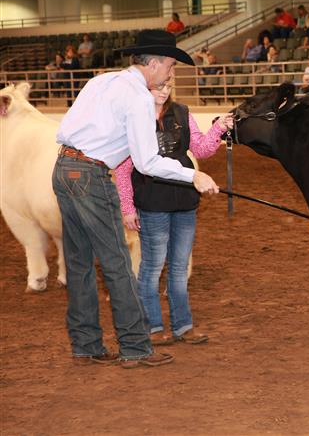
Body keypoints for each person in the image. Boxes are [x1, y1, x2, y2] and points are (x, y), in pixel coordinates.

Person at [52, 29, 221, 369]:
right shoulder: (139, 98)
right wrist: (192, 175)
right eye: (170, 66)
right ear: (154, 63)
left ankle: (86, 344)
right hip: (92, 175)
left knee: (79, 262)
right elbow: (147, 162)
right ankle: (135, 346)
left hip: (64, 168)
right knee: (117, 263)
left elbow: (69, 126)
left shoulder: (101, 81)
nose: (170, 74)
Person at [114, 80, 231, 346]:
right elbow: (123, 169)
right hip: (151, 200)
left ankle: (183, 325)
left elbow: (200, 148)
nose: (165, 91)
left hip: (184, 199)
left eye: (168, 85)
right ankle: (153, 327)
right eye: (158, 86)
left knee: (179, 267)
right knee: (152, 267)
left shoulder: (182, 112)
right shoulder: (133, 118)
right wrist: (128, 208)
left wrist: (219, 128)